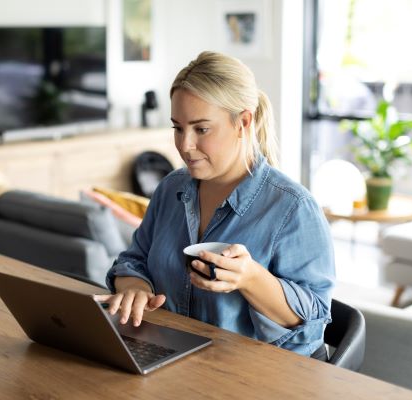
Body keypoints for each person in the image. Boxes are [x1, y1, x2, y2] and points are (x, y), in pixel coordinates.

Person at [95, 51, 335, 358]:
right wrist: (134, 288)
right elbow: (133, 260)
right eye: (178, 128)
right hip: (166, 359)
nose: (185, 145)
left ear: (243, 122)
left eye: (201, 129)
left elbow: (312, 327)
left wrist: (251, 279)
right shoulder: (170, 189)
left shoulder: (293, 208)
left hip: (249, 375)